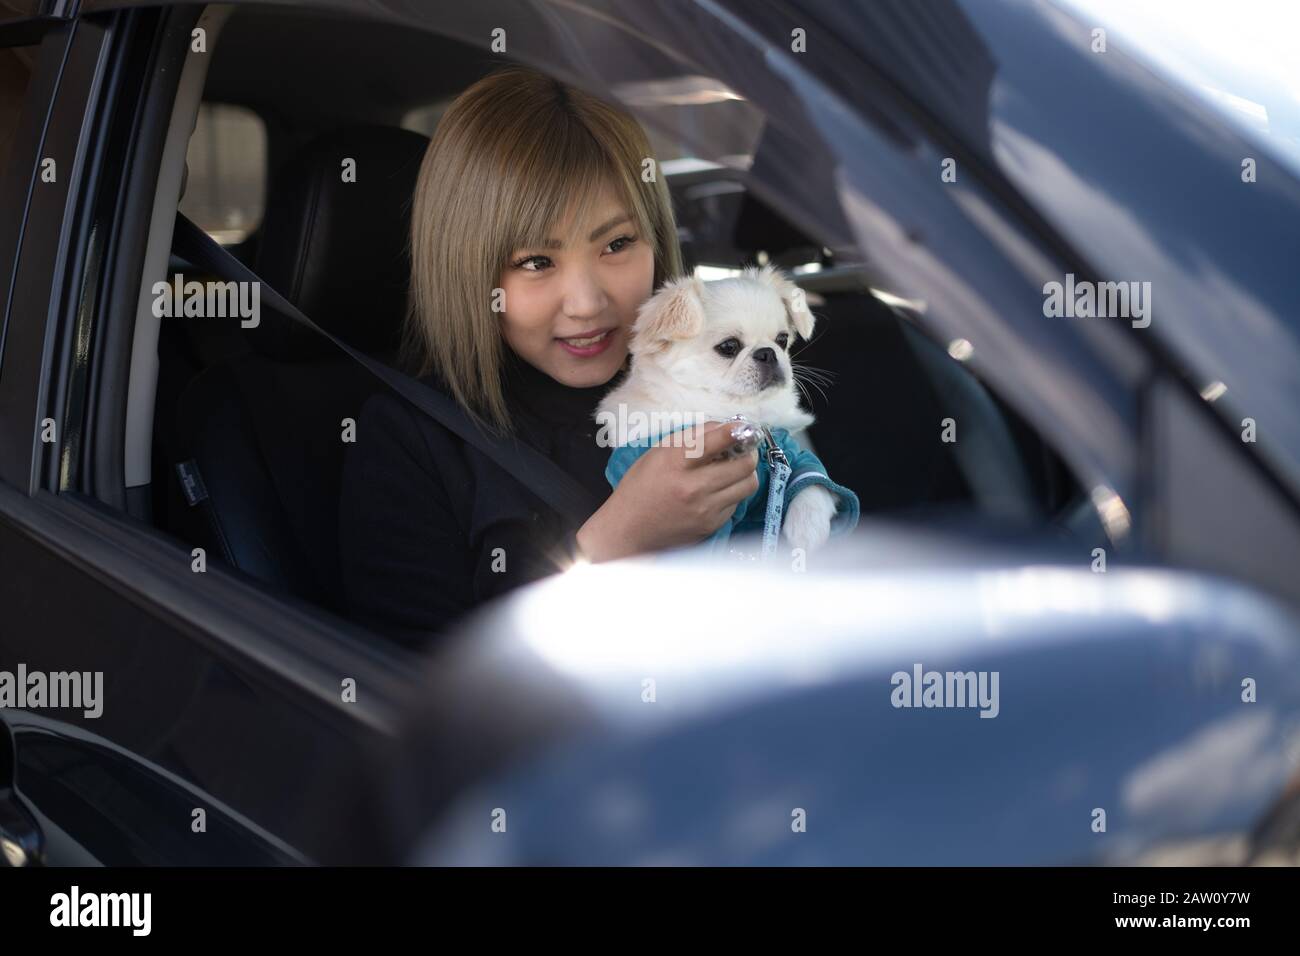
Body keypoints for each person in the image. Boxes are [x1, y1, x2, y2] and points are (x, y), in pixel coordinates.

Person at [338, 67, 759, 646]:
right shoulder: (410, 441)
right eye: (536, 262)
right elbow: (432, 688)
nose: (587, 304)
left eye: (617, 244)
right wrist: (617, 542)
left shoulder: (717, 376)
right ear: (468, 269)